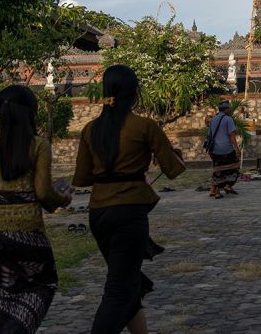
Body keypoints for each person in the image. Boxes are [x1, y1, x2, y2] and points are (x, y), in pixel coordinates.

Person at [73, 65, 186, 334]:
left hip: (98, 212)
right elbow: (172, 169)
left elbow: (82, 177)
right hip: (129, 214)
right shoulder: (144, 127)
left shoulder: (90, 129)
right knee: (119, 290)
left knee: (126, 281)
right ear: (134, 94)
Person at [0, 85, 73, 332]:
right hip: (27, 231)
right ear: (30, 113)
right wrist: (62, 198)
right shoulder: (39, 145)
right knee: (42, 286)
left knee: (5, 295)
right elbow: (43, 192)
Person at [207, 100, 242, 198]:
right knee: (234, 167)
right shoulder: (228, 119)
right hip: (226, 148)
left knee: (218, 171)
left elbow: (209, 135)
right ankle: (227, 185)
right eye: (229, 109)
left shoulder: (213, 120)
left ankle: (217, 192)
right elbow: (231, 135)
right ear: (226, 109)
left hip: (215, 150)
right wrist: (236, 148)